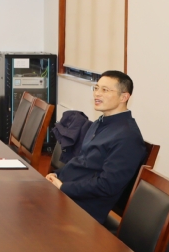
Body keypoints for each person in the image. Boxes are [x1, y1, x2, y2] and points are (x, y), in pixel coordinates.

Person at [45, 71, 146, 224]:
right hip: (66, 192)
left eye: (105, 90)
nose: (97, 94)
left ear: (124, 97)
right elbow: (82, 162)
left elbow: (107, 185)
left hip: (83, 209)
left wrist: (64, 187)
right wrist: (56, 175)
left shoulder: (128, 137)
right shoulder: (101, 122)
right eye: (96, 88)